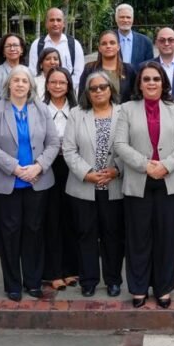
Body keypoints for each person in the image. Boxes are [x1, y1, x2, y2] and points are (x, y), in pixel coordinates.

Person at [114, 62, 174, 308]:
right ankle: (138, 288)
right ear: (139, 83)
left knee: (167, 238)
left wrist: (166, 165)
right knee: (138, 238)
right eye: (146, 79)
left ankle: (163, 288)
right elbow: (120, 144)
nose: (151, 83)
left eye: (156, 79)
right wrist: (145, 165)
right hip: (139, 181)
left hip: (169, 181)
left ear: (163, 83)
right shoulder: (127, 109)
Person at [0, 66, 61, 301]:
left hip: (37, 180)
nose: (19, 84)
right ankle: (13, 285)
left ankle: (33, 282)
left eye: (24, 81)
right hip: (7, 182)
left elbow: (53, 143)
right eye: (15, 80)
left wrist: (38, 166)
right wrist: (16, 168)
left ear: (31, 86)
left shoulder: (41, 109)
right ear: (8, 84)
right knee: (9, 234)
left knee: (34, 232)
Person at [62, 71, 125, 298]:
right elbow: (69, 150)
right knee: (85, 234)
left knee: (113, 235)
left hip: (114, 185)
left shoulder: (124, 113)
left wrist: (117, 170)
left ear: (111, 89)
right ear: (87, 93)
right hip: (84, 187)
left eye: (103, 87)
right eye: (93, 88)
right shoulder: (76, 114)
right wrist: (87, 173)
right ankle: (88, 280)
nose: (98, 91)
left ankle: (113, 280)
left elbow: (132, 146)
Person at [42, 67, 79, 291]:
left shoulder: (77, 109)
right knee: (51, 219)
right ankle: (53, 272)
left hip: (72, 167)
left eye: (62, 83)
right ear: (47, 85)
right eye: (53, 82)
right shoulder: (39, 108)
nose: (57, 86)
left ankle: (70, 268)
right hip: (47, 167)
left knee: (71, 218)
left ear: (68, 86)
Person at [28, 7, 86, 87]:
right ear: (46, 24)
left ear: (64, 23)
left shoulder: (74, 45)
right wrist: (48, 88)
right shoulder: (37, 44)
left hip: (69, 90)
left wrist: (64, 87)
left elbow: (79, 73)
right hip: (43, 91)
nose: (55, 24)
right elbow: (33, 72)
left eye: (58, 20)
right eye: (52, 20)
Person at [79, 30, 135, 102]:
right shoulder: (89, 69)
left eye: (112, 43)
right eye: (104, 44)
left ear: (118, 47)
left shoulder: (129, 69)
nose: (108, 46)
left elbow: (135, 96)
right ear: (99, 48)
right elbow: (82, 97)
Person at [0, 33, 30, 102]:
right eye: (8, 46)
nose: (12, 49)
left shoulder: (28, 71)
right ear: (3, 51)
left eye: (15, 45)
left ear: (22, 49)